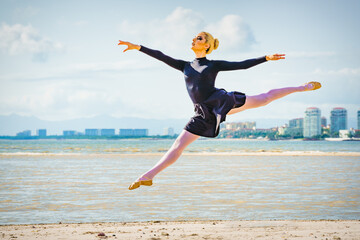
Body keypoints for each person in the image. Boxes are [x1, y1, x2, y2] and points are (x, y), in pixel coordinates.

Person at [118, 32, 321, 190]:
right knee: (178, 145)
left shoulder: (214, 64)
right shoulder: (184, 65)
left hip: (220, 101)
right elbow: (161, 56)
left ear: (206, 44)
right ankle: (147, 177)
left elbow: (242, 65)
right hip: (202, 112)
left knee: (265, 98)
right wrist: (137, 47)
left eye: (199, 38)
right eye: (194, 37)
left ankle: (303, 87)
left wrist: (266, 58)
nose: (194, 39)